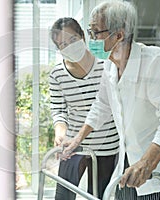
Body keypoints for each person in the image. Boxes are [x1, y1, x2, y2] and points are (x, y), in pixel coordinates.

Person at [62, 1, 160, 199]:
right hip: (127, 164)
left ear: (118, 35)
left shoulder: (153, 60)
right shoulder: (109, 66)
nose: (91, 39)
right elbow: (101, 105)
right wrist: (77, 138)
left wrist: (147, 163)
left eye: (96, 32)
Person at [49, 17, 119, 199]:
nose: (69, 46)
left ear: (83, 36)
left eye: (72, 40)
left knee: (99, 195)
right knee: (64, 194)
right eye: (62, 44)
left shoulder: (107, 64)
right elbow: (58, 110)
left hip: (107, 144)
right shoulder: (57, 74)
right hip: (74, 143)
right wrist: (60, 132)